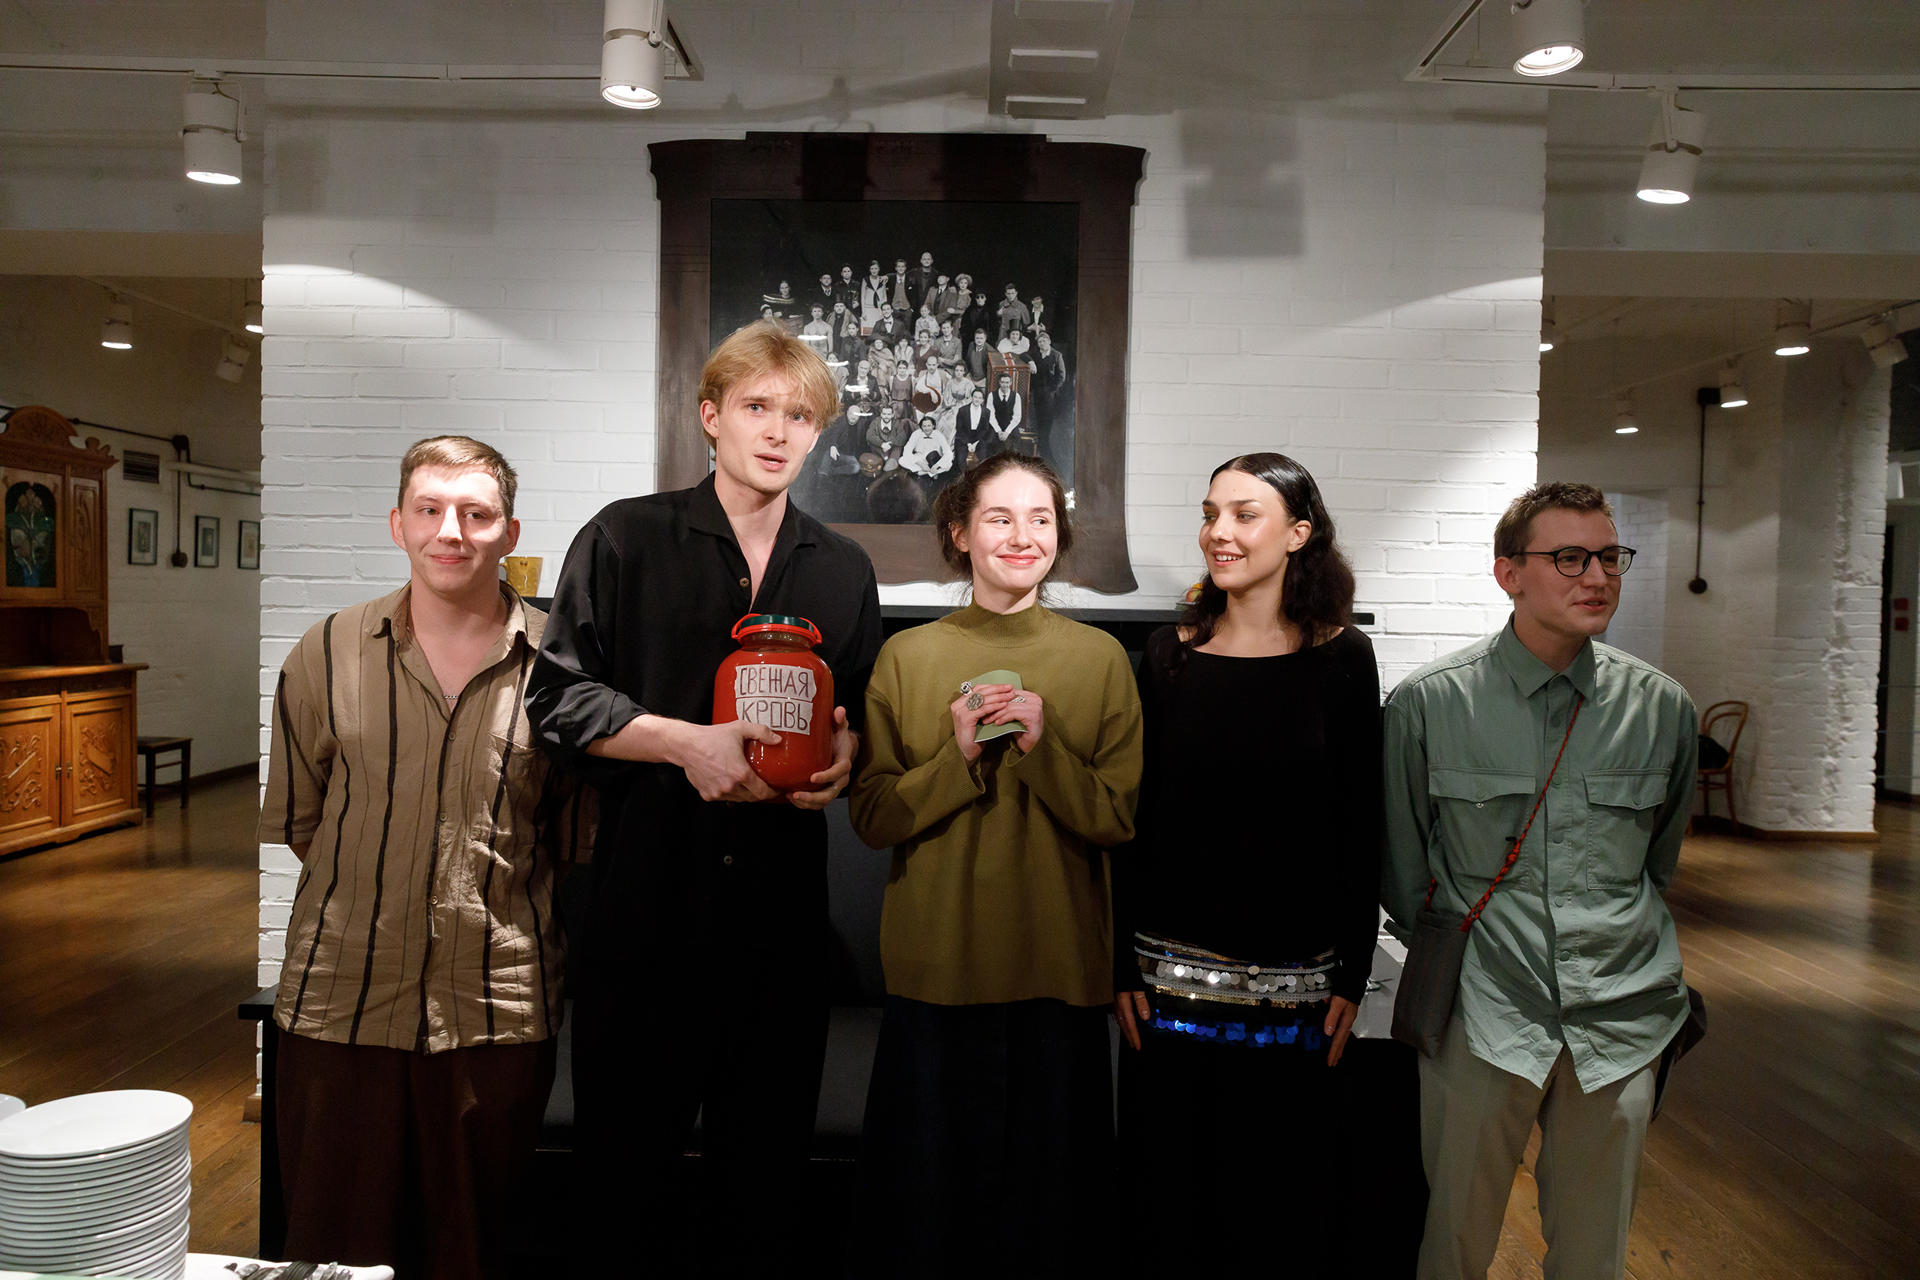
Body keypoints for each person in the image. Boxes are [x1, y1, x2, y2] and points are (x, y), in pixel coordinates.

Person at [525, 321, 883, 1276]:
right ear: (710, 416)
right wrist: (684, 744)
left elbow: (855, 710)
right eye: (757, 407)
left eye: (799, 415)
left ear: (818, 434)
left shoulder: (843, 568)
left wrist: (847, 752)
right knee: (621, 1183)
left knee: (764, 1192)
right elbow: (555, 701)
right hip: (645, 911)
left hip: (782, 926)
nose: (777, 431)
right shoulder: (624, 537)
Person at [260, 435, 591, 1280]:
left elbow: (568, 839)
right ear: (397, 524)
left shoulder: (561, 668)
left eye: (476, 513)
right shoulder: (325, 651)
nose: (452, 530)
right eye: (430, 509)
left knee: (470, 1250)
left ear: (509, 532)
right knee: (334, 1250)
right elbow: (304, 821)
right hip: (340, 1000)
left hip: (496, 1007)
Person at [1382, 482, 1697, 1280]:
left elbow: (1657, 862)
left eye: (1610, 557)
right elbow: (1405, 874)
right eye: (1569, 558)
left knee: (1595, 1256)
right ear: (1508, 574)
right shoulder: (1430, 704)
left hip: (1621, 1015)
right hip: (1482, 1010)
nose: (1597, 576)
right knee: (1451, 1244)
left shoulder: (1662, 709)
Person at [849, 452, 1143, 1278]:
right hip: (936, 972)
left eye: (1040, 519)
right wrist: (960, 759)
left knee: (1050, 1225)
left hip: (1060, 972)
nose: (1023, 536)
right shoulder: (906, 658)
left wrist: (1043, 753)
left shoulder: (1102, 660)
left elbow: (1116, 818)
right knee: (927, 1221)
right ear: (959, 533)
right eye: (1000, 518)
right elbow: (873, 817)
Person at [1111, 452, 1380, 1277]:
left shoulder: (1344, 658)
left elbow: (1360, 823)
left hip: (1299, 988)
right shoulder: (1166, 655)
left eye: (1243, 514)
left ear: (1298, 534)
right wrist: (1118, 960)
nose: (1217, 533)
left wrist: (1352, 973)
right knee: (1169, 1202)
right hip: (1167, 985)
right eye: (1210, 514)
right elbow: (1134, 823)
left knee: (1277, 1204)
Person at [984, 370, 1024, 453]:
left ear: (1010, 383)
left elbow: (1017, 417)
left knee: (1016, 441)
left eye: (1007, 382)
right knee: (989, 441)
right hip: (996, 425)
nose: (1004, 385)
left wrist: (1007, 432)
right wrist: (998, 431)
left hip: (1010, 425)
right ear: (999, 382)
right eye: (1002, 382)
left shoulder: (1016, 396)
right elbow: (991, 416)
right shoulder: (991, 395)